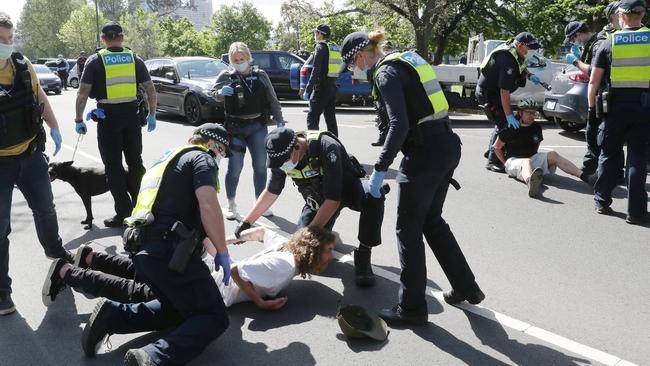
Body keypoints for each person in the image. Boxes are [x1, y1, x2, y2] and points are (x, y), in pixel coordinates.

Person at [339, 30, 484, 325]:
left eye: (353, 63)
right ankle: (466, 286)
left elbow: (398, 124)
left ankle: (413, 307)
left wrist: (380, 169)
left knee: (408, 229)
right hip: (446, 145)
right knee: (432, 221)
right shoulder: (405, 59)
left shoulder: (385, 74)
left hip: (424, 154)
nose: (356, 70)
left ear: (359, 54)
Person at [80, 123, 233, 365]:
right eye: (223, 151)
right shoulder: (202, 159)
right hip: (170, 252)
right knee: (215, 316)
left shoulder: (165, 162)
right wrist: (222, 251)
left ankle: (112, 316)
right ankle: (154, 356)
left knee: (176, 310)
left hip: (142, 252)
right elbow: (208, 206)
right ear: (213, 145)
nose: (221, 156)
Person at [43, 226, 336, 310]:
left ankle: (91, 257)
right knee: (140, 293)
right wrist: (260, 302)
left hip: (206, 270)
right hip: (209, 286)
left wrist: (234, 238)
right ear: (310, 249)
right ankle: (67, 272)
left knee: (145, 275)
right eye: (328, 252)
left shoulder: (287, 245)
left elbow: (261, 231)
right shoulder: (285, 266)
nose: (330, 258)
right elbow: (237, 273)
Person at [235, 127, 387, 287]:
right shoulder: (281, 156)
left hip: (346, 189)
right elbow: (272, 191)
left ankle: (363, 254)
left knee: (373, 196)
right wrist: (246, 223)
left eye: (284, 162)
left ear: (297, 147)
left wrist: (307, 237)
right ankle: (329, 236)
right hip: (319, 199)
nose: (281, 166)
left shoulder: (325, 146)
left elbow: (333, 199)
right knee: (308, 260)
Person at [0, 12, 71, 316]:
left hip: (30, 155)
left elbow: (39, 96)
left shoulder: (21, 64)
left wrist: (54, 126)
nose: (6, 44)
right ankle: (2, 291)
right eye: (0, 39)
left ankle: (56, 252)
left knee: (45, 208)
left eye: (9, 38)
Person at [75, 21, 157, 227]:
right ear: (121, 37)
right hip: (131, 116)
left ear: (103, 39)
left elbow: (83, 93)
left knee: (113, 168)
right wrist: (153, 114)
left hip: (107, 118)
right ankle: (142, 207)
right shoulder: (134, 59)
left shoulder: (95, 61)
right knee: (136, 164)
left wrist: (78, 119)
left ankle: (123, 213)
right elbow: (150, 89)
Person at [588, 0, 650, 225]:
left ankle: (602, 201)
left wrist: (591, 109)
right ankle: (636, 212)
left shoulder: (609, 42)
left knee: (609, 153)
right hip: (645, 108)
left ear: (621, 16)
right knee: (637, 157)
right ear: (643, 14)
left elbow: (593, 82)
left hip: (615, 108)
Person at [212, 42, 284, 221]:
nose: (239, 62)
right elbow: (213, 94)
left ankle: (260, 204)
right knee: (235, 167)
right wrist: (220, 92)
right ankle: (231, 204)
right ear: (230, 60)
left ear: (248, 58)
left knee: (260, 166)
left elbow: (272, 98)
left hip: (258, 126)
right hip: (235, 128)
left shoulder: (260, 75)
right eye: (235, 60)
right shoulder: (226, 76)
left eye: (242, 59)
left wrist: (280, 119)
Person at [493, 99, 595, 197]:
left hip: (532, 158)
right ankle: (531, 183)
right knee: (525, 161)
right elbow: (497, 147)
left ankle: (586, 177)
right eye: (528, 113)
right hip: (514, 161)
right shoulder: (510, 127)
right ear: (520, 113)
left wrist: (538, 160)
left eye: (533, 113)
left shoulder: (536, 128)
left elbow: (536, 147)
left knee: (553, 154)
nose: (531, 116)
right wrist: (505, 163)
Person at [476, 32, 545, 173]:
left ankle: (492, 148)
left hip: (494, 91)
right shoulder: (507, 60)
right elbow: (504, 91)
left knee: (501, 123)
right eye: (530, 48)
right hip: (490, 94)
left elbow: (521, 67)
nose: (532, 51)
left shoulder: (514, 50)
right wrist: (509, 115)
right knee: (504, 124)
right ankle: (492, 160)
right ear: (520, 45)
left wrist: (530, 76)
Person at [582, 2, 624, 176]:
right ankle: (593, 168)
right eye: (621, 12)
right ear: (613, 16)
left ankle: (614, 172)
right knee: (597, 134)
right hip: (605, 94)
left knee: (615, 136)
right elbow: (594, 72)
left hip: (626, 94)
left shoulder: (631, 33)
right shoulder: (603, 39)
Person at [300, 24, 341, 136]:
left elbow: (315, 70)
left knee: (312, 118)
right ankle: (335, 144)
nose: (315, 35)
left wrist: (308, 89)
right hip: (332, 87)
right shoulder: (333, 47)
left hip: (321, 88)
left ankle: (314, 146)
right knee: (330, 119)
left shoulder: (320, 47)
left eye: (316, 32)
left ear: (321, 34)